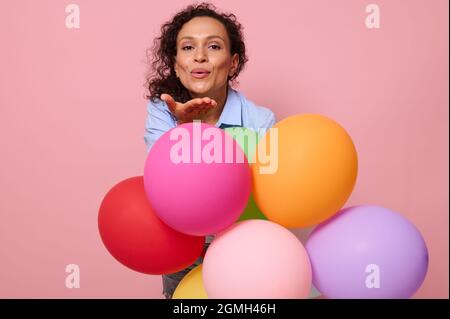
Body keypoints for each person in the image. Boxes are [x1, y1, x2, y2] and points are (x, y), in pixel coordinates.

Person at [143, 2, 276, 299]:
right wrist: (188, 129)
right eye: (188, 48)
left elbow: (262, 194)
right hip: (180, 245)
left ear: (233, 63)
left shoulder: (260, 120)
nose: (200, 56)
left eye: (213, 47)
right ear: (177, 65)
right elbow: (163, 182)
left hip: (242, 246)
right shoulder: (162, 111)